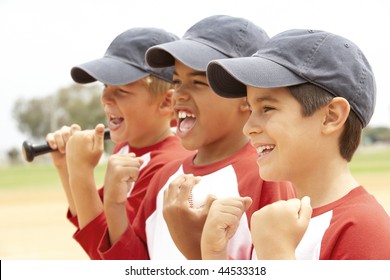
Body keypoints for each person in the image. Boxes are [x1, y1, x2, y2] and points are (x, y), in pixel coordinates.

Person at [97, 15, 295, 260]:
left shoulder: (266, 178)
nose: (179, 94)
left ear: (246, 97)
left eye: (199, 82)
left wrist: (196, 247)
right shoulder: (164, 178)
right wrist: (115, 207)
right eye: (177, 81)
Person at [202, 29, 390, 260]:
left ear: (331, 116)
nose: (248, 127)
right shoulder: (279, 221)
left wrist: (277, 255)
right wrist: (214, 255)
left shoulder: (364, 229)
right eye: (250, 109)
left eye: (267, 108)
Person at [45, 27, 193, 260]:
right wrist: (66, 166)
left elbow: (108, 254)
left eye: (122, 90)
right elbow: (93, 220)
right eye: (105, 86)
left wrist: (81, 173)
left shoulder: (166, 166)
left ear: (166, 103)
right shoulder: (127, 147)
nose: (105, 98)